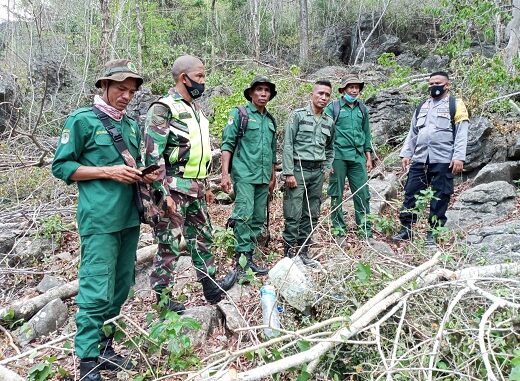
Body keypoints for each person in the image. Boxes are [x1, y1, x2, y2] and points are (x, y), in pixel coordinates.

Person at [52, 59, 150, 381]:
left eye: (132, 91)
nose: (126, 96)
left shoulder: (131, 125)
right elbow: (62, 167)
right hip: (100, 220)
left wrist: (143, 176)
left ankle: (106, 347)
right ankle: (87, 360)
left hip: (129, 219)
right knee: (96, 288)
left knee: (121, 287)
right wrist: (108, 171)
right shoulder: (82, 121)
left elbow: (130, 166)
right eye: (121, 89)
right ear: (104, 86)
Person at [144, 55, 236, 312]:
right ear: (184, 78)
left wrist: (204, 186)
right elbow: (152, 158)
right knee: (169, 243)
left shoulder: (195, 109)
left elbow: (200, 151)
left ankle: (210, 287)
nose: (203, 81)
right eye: (200, 76)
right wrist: (163, 195)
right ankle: (163, 300)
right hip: (172, 186)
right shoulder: (163, 109)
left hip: (196, 186)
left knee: (203, 237)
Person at [392, 71, 469, 244]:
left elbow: (462, 133)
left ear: (447, 85)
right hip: (420, 159)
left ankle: (433, 233)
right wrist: (406, 153)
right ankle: (406, 230)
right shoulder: (422, 106)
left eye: (438, 83)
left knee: (440, 196)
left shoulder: (455, 104)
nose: (434, 86)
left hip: (443, 159)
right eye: (431, 83)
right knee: (411, 193)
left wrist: (459, 157)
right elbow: (413, 132)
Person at [221, 76, 278, 279]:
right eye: (259, 90)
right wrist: (224, 174)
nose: (263, 93)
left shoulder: (270, 120)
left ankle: (250, 256)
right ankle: (241, 259)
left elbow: (273, 152)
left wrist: (273, 177)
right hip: (244, 174)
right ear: (251, 93)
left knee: (258, 217)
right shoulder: (240, 114)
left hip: (263, 177)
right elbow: (227, 145)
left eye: (267, 90)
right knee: (244, 214)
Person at [281, 80, 334, 266]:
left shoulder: (329, 121)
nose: (323, 97)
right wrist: (288, 172)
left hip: (317, 172)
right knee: (293, 211)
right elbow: (288, 144)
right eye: (320, 93)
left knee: (312, 213)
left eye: (327, 95)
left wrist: (327, 167)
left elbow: (330, 148)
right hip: (298, 169)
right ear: (312, 94)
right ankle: (288, 254)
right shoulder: (298, 116)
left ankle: (304, 251)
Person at [326, 75, 373, 239]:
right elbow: (324, 133)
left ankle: (365, 229)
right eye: (350, 87)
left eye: (357, 87)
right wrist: (327, 159)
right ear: (343, 89)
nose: (354, 90)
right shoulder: (333, 107)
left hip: (358, 156)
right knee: (336, 193)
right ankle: (338, 229)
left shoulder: (362, 109)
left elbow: (366, 133)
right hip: (337, 156)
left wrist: (368, 157)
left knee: (363, 193)